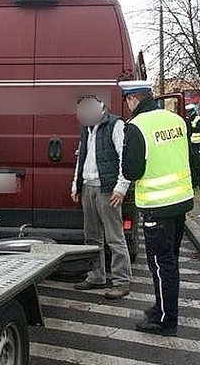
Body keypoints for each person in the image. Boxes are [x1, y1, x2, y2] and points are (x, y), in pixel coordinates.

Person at [119, 80, 194, 337]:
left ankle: (166, 320)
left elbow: (132, 170)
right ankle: (162, 308)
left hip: (157, 205)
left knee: (162, 265)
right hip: (181, 201)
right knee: (169, 261)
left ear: (132, 100)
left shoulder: (136, 126)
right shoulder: (175, 120)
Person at [70, 95, 133, 300]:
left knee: (115, 238)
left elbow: (125, 156)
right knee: (92, 237)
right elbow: (82, 158)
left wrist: (121, 187)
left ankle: (121, 282)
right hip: (89, 187)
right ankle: (96, 277)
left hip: (108, 189)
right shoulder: (86, 128)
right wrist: (76, 185)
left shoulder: (115, 125)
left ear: (101, 107)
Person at [186, 103, 200, 188]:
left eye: (189, 112)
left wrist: (191, 127)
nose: (188, 113)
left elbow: (199, 129)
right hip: (189, 145)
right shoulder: (187, 120)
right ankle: (193, 183)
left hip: (197, 145)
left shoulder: (199, 119)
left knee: (198, 164)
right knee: (191, 164)